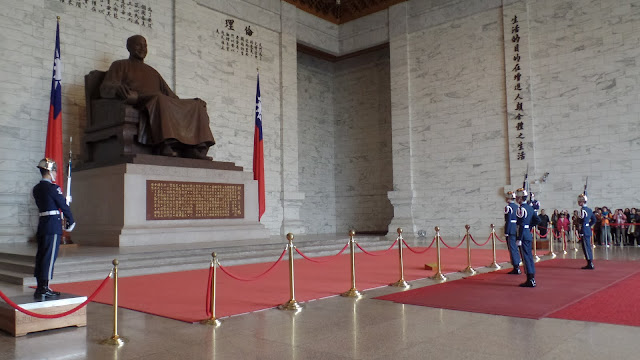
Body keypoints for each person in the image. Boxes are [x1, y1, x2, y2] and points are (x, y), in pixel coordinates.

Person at [100, 35, 215, 159]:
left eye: (145, 45)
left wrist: (189, 103)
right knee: (159, 98)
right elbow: (105, 87)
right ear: (129, 47)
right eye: (138, 45)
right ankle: (163, 145)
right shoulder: (120, 65)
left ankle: (194, 147)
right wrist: (116, 88)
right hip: (139, 100)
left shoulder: (152, 71)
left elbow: (172, 96)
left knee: (197, 104)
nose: (142, 48)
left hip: (158, 100)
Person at [32, 158, 75, 298]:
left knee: (41, 256)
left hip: (43, 224)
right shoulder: (53, 188)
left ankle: (40, 286)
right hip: (52, 225)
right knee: (49, 257)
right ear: (50, 171)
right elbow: (63, 206)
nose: (56, 174)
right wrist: (71, 220)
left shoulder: (37, 188)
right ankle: (44, 287)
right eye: (54, 171)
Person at [516, 188, 539, 287]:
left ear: (521, 198)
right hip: (528, 234)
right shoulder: (530, 208)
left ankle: (530, 279)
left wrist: (519, 238)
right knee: (529, 256)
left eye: (517, 197)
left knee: (525, 257)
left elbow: (520, 225)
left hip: (523, 236)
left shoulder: (521, 209)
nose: (516, 199)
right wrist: (529, 226)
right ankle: (532, 277)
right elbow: (537, 220)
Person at [577, 193, 596, 269]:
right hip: (587, 230)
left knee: (586, 247)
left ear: (582, 202)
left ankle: (590, 263)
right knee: (588, 246)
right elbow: (594, 220)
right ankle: (590, 262)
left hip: (584, 231)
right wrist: (588, 225)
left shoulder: (583, 210)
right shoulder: (589, 210)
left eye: (579, 201)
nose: (578, 203)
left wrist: (583, 225)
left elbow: (581, 220)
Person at [504, 191, 521, 274]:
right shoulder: (517, 207)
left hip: (510, 229)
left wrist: (506, 231)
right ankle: (517, 263)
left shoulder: (508, 207)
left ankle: (516, 266)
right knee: (515, 248)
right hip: (516, 228)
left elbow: (508, 220)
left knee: (512, 248)